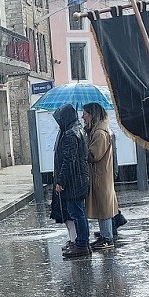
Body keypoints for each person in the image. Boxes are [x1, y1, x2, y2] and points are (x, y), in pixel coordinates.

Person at [52, 104, 90, 258]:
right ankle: (82, 243)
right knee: (78, 212)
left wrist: (60, 181)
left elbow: (68, 160)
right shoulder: (78, 130)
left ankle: (82, 244)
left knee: (77, 213)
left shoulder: (70, 134)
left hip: (74, 180)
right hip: (79, 178)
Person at [82, 102, 118, 250]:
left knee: (104, 207)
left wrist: (82, 146)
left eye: (84, 113)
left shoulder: (99, 133)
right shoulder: (98, 130)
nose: (82, 116)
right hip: (100, 175)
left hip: (100, 176)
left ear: (91, 115)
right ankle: (105, 236)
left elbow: (93, 155)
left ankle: (107, 238)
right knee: (102, 206)